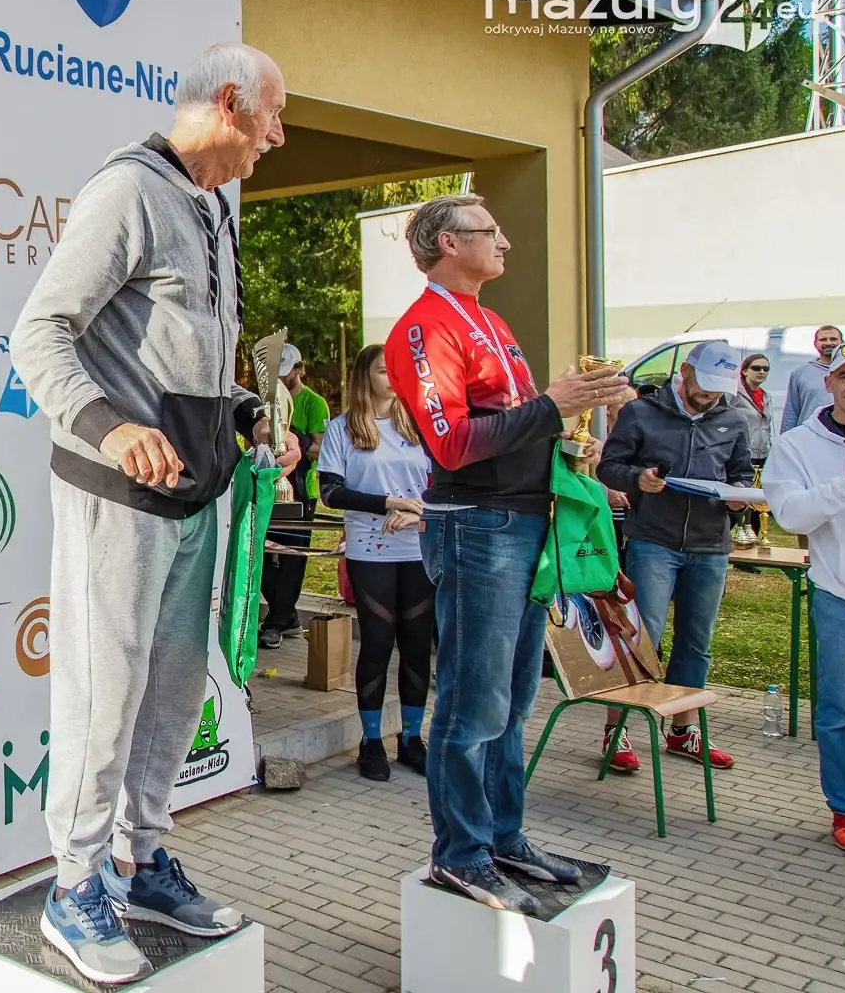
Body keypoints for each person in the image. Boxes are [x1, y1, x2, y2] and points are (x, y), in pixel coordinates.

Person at [9, 42, 291, 985]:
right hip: (116, 496)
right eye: (273, 117)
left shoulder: (212, 206)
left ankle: (140, 862)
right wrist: (110, 427)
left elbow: (184, 355)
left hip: (196, 495)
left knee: (173, 692)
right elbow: (38, 334)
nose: (278, 138)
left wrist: (245, 416)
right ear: (229, 103)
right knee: (105, 694)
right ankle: (72, 886)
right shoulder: (128, 190)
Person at [385, 194, 632, 914]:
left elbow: (514, 423)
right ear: (447, 242)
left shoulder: (489, 320)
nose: (505, 242)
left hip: (523, 524)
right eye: (490, 231)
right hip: (478, 527)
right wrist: (552, 407)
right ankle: (460, 855)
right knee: (474, 702)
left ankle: (503, 837)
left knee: (515, 700)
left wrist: (566, 440)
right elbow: (453, 443)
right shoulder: (423, 327)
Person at [595, 340, 751, 772]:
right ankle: (617, 729)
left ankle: (683, 729)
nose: (711, 394)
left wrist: (740, 497)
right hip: (654, 541)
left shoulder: (733, 419)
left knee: (696, 644)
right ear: (685, 371)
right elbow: (609, 467)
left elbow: (740, 474)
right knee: (641, 637)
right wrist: (638, 479)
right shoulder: (641, 412)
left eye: (721, 388)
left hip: (710, 544)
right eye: (705, 384)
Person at [316, 344, 432, 781]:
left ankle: (412, 738)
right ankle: (370, 741)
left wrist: (418, 512)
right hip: (370, 549)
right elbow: (331, 492)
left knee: (417, 645)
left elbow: (443, 486)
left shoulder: (418, 424)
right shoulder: (341, 429)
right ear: (365, 376)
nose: (394, 378)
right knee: (378, 644)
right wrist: (389, 503)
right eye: (385, 371)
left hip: (419, 548)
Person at [763, 345, 845, 852]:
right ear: (829, 382)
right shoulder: (798, 445)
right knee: (840, 709)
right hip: (839, 593)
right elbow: (791, 515)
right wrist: (844, 486)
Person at [259, 344, 330, 648]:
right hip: (268, 489)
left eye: (286, 371)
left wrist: (293, 441)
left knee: (292, 559)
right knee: (261, 553)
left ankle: (276, 622)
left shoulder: (314, 404)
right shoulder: (264, 402)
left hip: (301, 491)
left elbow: (321, 448)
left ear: (300, 369)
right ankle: (285, 616)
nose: (280, 378)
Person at [726, 351, 775, 544]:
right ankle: (729, 536)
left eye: (766, 369)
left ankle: (752, 540)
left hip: (762, 453)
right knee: (738, 500)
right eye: (756, 368)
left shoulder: (766, 396)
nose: (762, 372)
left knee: (756, 502)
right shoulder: (733, 393)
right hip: (739, 452)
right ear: (745, 370)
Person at [781, 325, 843, 434]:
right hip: (809, 437)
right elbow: (791, 412)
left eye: (833, 339)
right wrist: (785, 439)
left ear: (841, 342)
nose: (828, 343)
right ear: (815, 344)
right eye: (823, 339)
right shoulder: (800, 373)